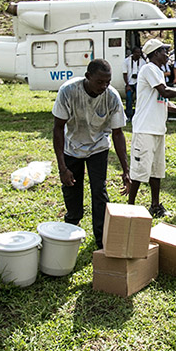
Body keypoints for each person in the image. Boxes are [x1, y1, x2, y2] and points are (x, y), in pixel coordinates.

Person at [53, 59, 130, 248]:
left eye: (108, 82)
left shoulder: (112, 97)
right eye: (99, 82)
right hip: (72, 147)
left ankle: (101, 239)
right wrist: (62, 167)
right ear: (87, 77)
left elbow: (118, 134)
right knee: (71, 189)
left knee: (99, 192)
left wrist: (126, 170)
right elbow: (57, 128)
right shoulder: (68, 91)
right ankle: (71, 228)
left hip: (98, 147)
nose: (104, 86)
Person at [128, 39, 176, 217]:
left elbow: (164, 102)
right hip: (145, 128)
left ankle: (155, 206)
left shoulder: (158, 71)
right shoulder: (149, 69)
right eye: (164, 51)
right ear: (154, 53)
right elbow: (165, 92)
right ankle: (129, 207)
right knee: (139, 171)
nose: (167, 55)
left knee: (156, 170)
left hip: (157, 128)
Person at [122, 46, 146, 119]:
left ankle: (139, 114)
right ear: (133, 53)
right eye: (136, 52)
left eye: (139, 52)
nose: (138, 54)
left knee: (140, 98)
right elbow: (124, 74)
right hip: (129, 83)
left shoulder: (143, 61)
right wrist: (127, 85)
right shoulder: (126, 61)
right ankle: (129, 115)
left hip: (139, 82)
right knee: (129, 97)